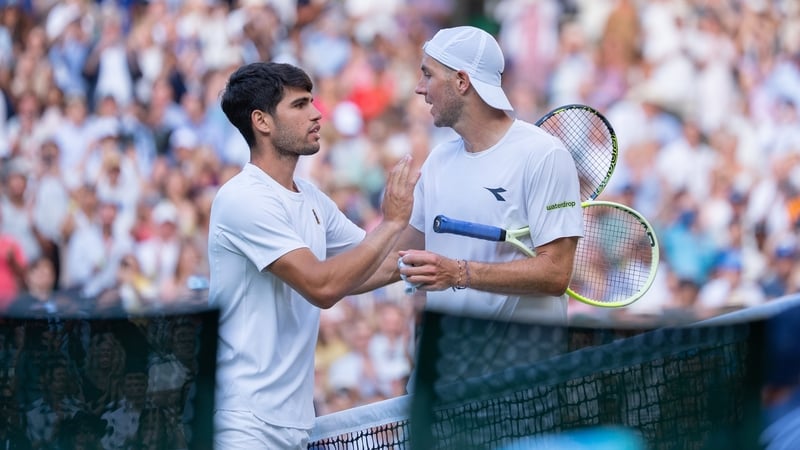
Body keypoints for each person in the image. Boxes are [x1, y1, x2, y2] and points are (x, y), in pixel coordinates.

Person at [207, 62, 418, 449]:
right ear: (262, 122)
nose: (317, 113)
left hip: (295, 423)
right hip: (241, 423)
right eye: (300, 105)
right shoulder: (243, 198)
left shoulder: (312, 198)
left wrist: (461, 266)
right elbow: (322, 286)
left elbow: (376, 263)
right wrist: (390, 224)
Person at [360, 26, 583, 324]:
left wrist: (458, 273)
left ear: (462, 81)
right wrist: (311, 279)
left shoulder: (544, 154)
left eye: (428, 75)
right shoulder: (438, 159)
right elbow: (396, 260)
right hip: (453, 363)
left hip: (523, 366)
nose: (419, 88)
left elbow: (556, 273)